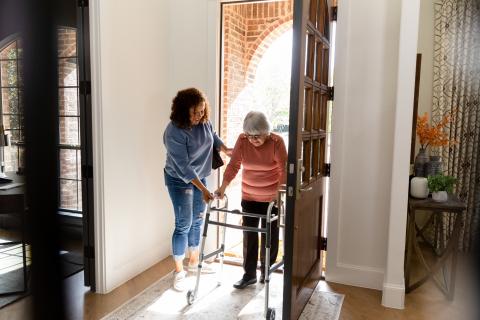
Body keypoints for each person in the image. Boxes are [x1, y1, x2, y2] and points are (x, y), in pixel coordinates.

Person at [163, 88, 231, 291]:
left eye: (202, 111)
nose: (199, 116)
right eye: (195, 112)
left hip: (199, 176)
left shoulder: (204, 122)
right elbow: (183, 167)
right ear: (183, 111)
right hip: (178, 179)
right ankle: (178, 271)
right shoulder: (174, 131)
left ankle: (193, 262)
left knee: (198, 219)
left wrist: (225, 148)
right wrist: (203, 189)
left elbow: (213, 135)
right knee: (184, 223)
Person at [215, 111, 287, 289]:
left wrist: (279, 194)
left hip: (271, 199)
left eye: (257, 136)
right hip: (249, 196)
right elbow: (234, 165)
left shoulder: (276, 142)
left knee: (270, 235)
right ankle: (249, 275)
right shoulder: (243, 140)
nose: (253, 140)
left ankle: (266, 271)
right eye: (249, 136)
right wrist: (223, 187)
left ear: (266, 131)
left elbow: (284, 169)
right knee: (249, 235)